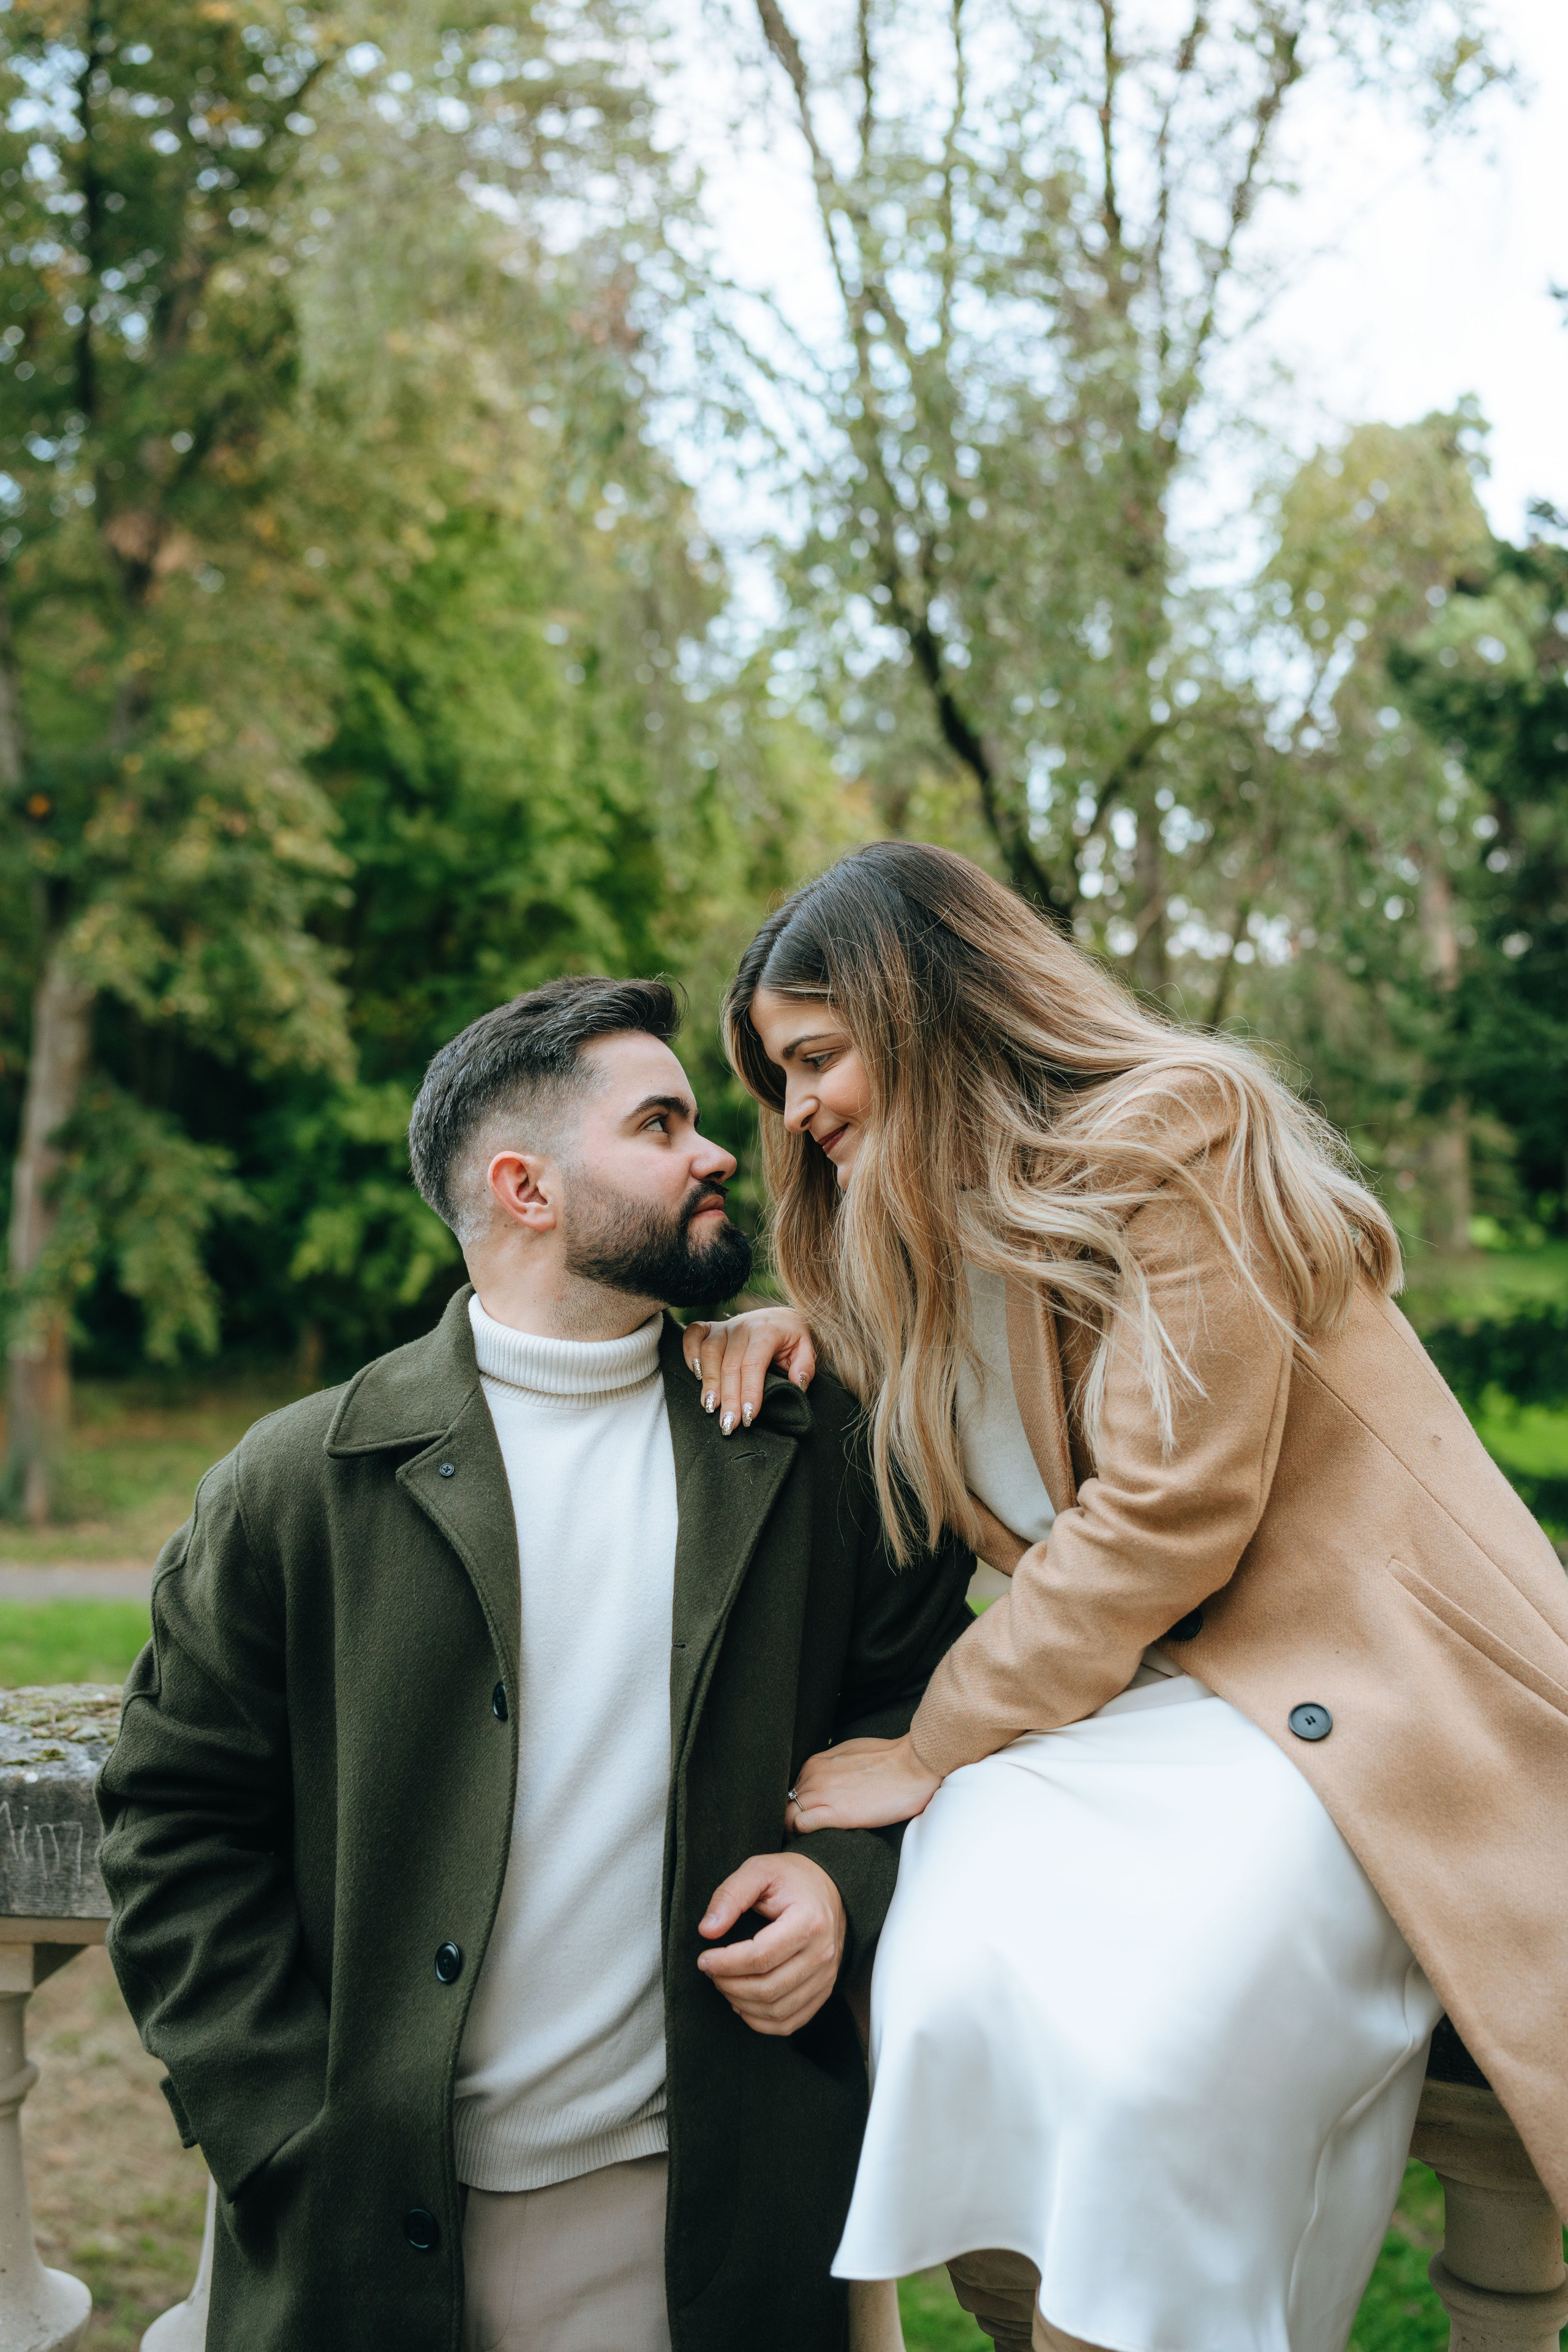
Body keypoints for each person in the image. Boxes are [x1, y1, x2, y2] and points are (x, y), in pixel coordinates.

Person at [687, 843, 1568, 2352]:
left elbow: (1168, 1513)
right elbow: (958, 1393)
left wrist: (925, 1748)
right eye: (779, 1081)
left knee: (1157, 2051)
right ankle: (1037, 2317)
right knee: (949, 1985)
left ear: (924, 1010)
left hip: (1340, 1692)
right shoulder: (901, 1237)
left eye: (818, 1059)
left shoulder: (1177, 1132)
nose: (798, 1111)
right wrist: (792, 1320)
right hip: (1124, 1711)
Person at [97, 973, 975, 2352]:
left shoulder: (819, 1457)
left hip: (707, 2223)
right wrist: (279, 2131)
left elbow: (928, 1716)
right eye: (661, 1124)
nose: (717, 1152)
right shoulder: (289, 1485)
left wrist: (840, 1884)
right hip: (360, 2228)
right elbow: (171, 1824)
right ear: (525, 1187)